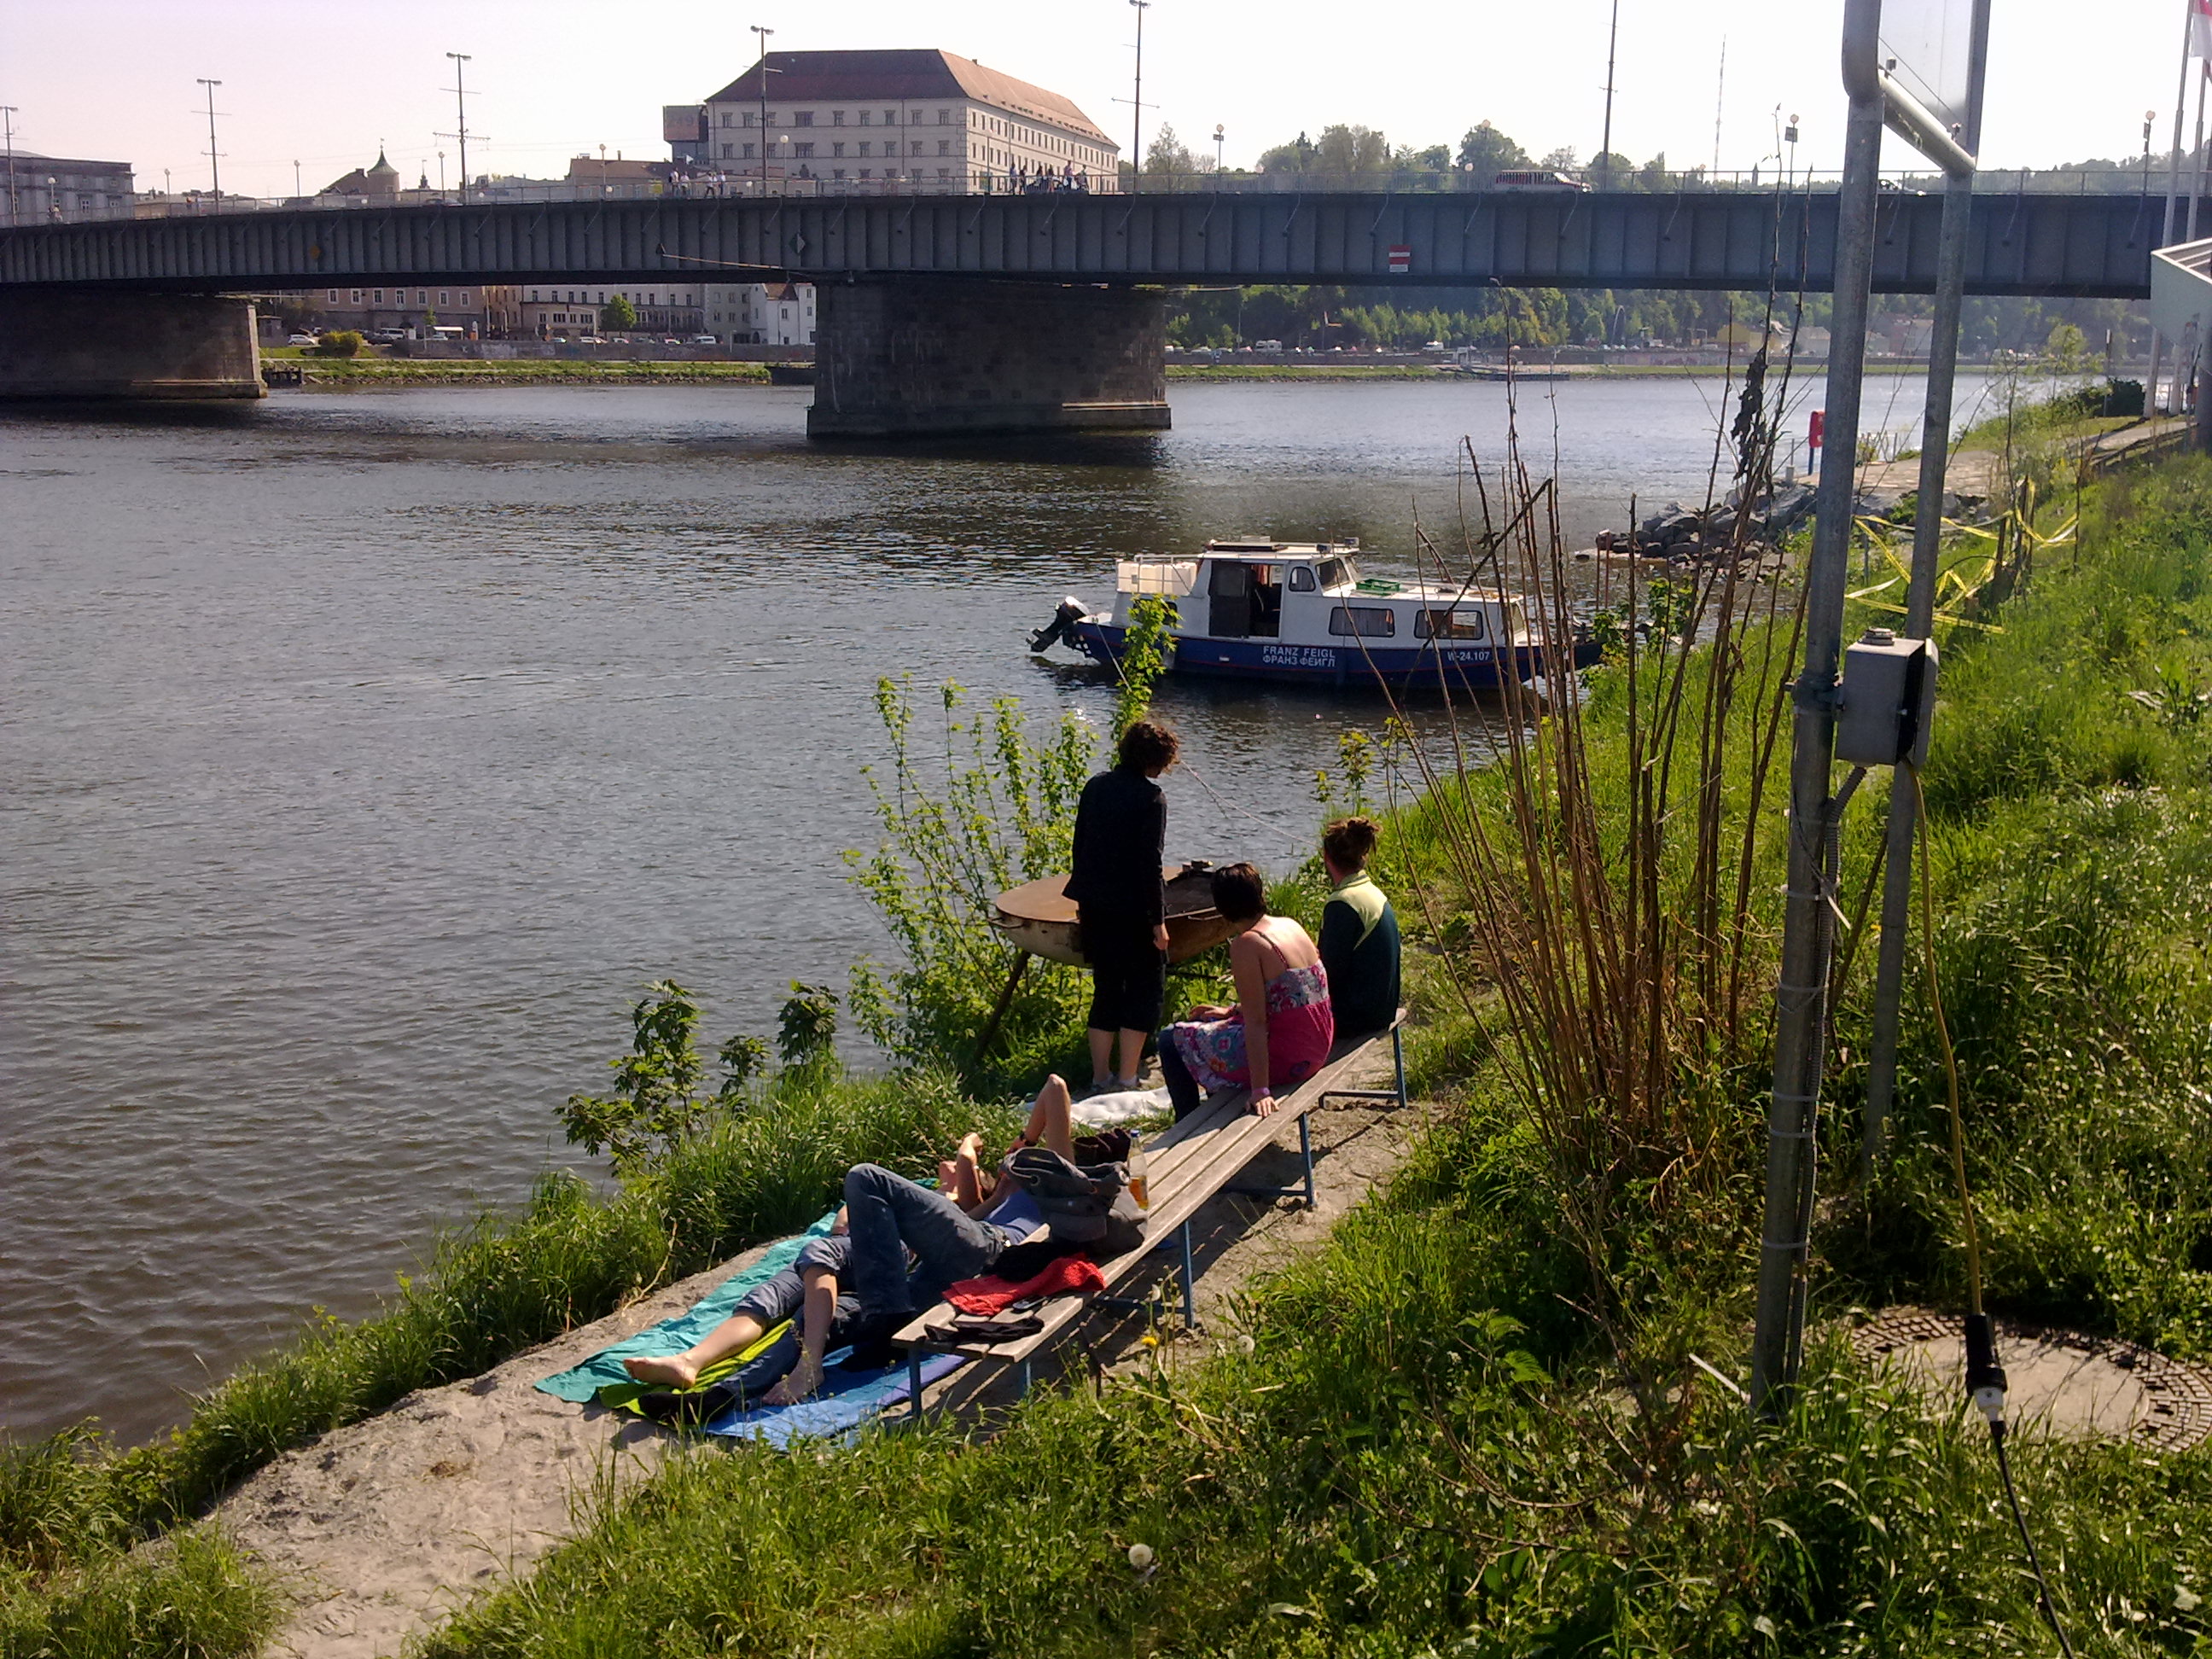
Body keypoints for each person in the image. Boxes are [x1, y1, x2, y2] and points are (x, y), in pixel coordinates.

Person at [1159, 863, 1334, 1119]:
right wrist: (1231, 1011)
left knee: (1169, 1038)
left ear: (1221, 907)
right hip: (1317, 1048)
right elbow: (1290, 998)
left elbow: (1257, 1023)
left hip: (1289, 1058)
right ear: (1259, 893)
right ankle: (1213, 1107)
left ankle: (1187, 1122)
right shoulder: (1290, 925)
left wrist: (1260, 1090)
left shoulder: (1247, 945)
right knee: (1207, 1023)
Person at [1064, 719, 1181, 1094]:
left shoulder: (1095, 786)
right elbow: (1150, 865)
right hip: (1134, 910)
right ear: (1155, 760)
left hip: (1096, 905)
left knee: (1107, 988)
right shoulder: (1152, 799)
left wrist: (1083, 901)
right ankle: (1128, 1078)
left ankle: (1100, 1078)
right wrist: (1158, 922)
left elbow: (1080, 846)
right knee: (1146, 989)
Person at [1316, 817, 1400, 1038]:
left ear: (1326, 857)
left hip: (1357, 1019)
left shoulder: (1342, 903)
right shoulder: (1370, 891)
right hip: (1382, 1009)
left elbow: (1328, 973)